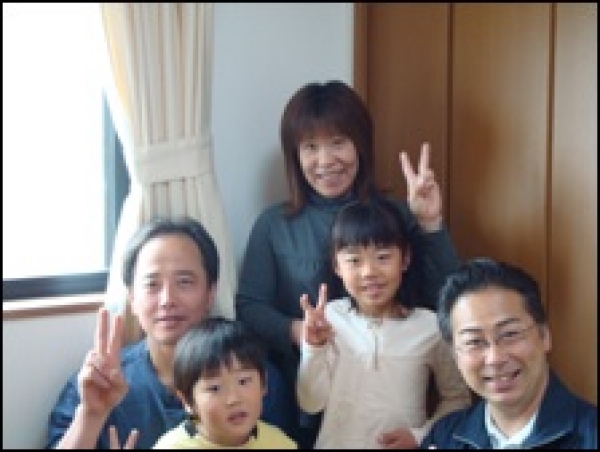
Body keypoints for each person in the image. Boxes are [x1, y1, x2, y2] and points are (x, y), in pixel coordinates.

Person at [236, 80, 460, 447]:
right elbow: (249, 306)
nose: (326, 161)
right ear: (295, 155)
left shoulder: (394, 216)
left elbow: (450, 302)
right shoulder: (274, 224)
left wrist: (429, 222)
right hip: (301, 397)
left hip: (389, 403)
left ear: (361, 144)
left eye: (338, 142)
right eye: (311, 147)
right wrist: (303, 333)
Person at [46, 216, 287, 449]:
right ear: (132, 299)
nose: (167, 300)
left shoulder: (254, 376)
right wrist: (90, 415)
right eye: (152, 284)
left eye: (184, 282)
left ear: (210, 294)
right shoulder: (99, 382)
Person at [296, 198, 472, 448]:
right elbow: (311, 403)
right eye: (354, 261)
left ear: (405, 259)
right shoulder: (329, 319)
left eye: (383, 257)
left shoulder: (429, 326)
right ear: (336, 265)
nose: (369, 272)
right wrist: (314, 348)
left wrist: (420, 435)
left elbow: (458, 399)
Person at [420, 257, 598, 449]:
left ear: (545, 335)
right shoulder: (443, 439)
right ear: (455, 355)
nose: (495, 358)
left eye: (510, 334)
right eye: (474, 341)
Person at [153, 316, 296, 449]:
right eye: (215, 388)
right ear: (187, 400)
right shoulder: (173, 446)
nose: (234, 399)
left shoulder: (280, 444)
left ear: (263, 384)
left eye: (243, 381)